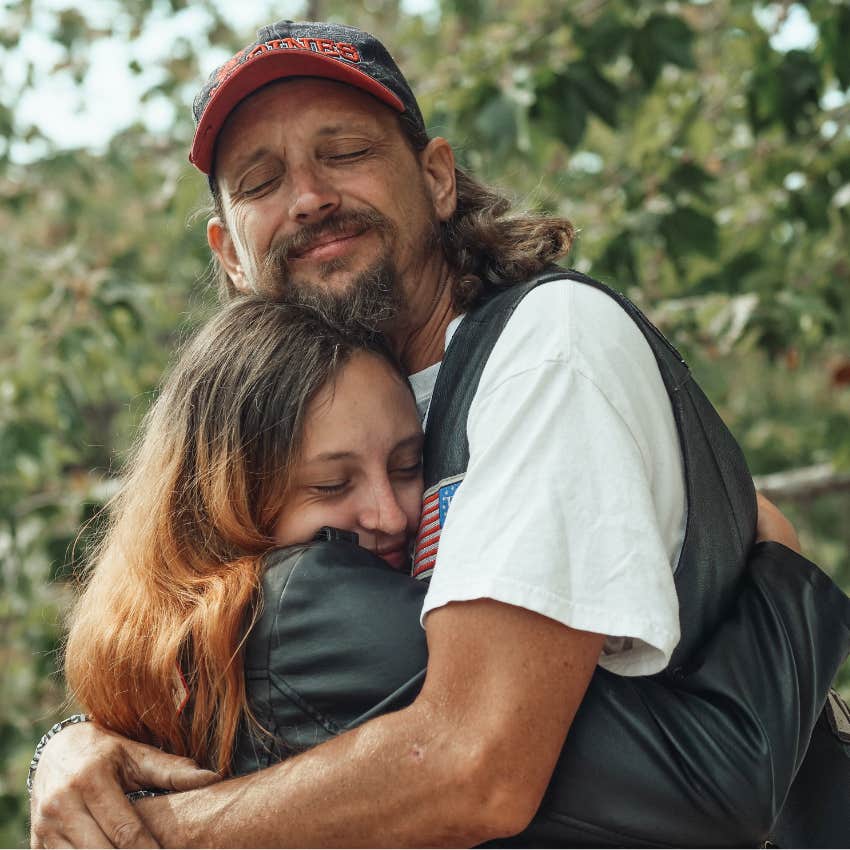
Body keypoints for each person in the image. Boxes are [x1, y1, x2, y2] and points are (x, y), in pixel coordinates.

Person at [29, 19, 849, 848]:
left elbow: (475, 767)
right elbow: (210, 617)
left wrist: (155, 833)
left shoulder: (540, 354)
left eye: (344, 152)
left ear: (437, 177)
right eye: (261, 180)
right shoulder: (335, 420)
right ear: (229, 254)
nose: (309, 197)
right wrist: (73, 746)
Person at [63, 298, 426, 776]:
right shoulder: (299, 597)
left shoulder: (170, 638)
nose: (391, 516)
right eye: (331, 486)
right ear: (230, 495)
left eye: (407, 467)